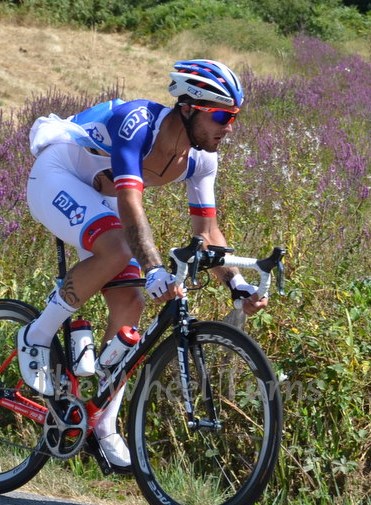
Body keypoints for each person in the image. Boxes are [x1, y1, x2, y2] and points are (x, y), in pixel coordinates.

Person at [17, 59, 268, 471]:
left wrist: (237, 285)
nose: (229, 127)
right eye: (221, 115)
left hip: (101, 198)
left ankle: (102, 424)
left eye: (234, 117)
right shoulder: (138, 122)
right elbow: (131, 205)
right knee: (119, 250)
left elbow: (207, 230)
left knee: (132, 304)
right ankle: (36, 334)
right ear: (187, 108)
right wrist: (154, 267)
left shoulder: (202, 158)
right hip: (59, 175)